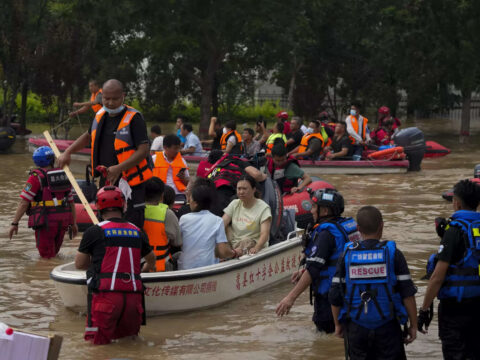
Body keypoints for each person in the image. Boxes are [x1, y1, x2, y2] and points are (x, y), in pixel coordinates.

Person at [58, 79, 153, 229]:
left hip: (130, 183)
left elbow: (143, 150)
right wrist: (68, 152)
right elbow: (88, 136)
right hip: (106, 180)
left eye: (114, 99)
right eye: (106, 98)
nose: (109, 103)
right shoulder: (100, 114)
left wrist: (119, 168)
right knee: (105, 223)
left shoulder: (134, 118)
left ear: (123, 96)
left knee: (132, 223)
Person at [329, 206, 418, 359]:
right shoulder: (393, 253)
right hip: (388, 327)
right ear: (381, 225)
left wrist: (337, 324)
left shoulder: (346, 256)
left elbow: (335, 294)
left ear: (357, 229)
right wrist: (413, 326)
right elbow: (407, 294)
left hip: (356, 327)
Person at [75, 186, 156, 345]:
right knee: (130, 344)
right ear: (124, 205)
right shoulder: (138, 231)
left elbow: (79, 264)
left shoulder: (94, 231)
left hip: (106, 297)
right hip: (134, 299)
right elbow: (152, 260)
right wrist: (142, 269)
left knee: (97, 348)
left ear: (98, 207)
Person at [276, 189, 360, 333]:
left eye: (314, 207)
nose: (311, 211)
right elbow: (333, 259)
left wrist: (290, 298)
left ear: (325, 211)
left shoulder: (326, 234)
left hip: (329, 299)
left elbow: (314, 269)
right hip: (350, 294)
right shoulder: (345, 226)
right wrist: (304, 270)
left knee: (325, 340)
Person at [418, 179, 480, 359]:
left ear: (457, 203)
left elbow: (437, 276)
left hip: (455, 309)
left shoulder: (454, 230)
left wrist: (424, 310)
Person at [9, 146, 77, 258]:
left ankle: (45, 274)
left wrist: (14, 223)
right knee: (54, 254)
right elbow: (71, 202)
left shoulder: (35, 178)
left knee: (46, 258)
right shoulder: (63, 175)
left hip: (46, 221)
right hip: (63, 220)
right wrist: (73, 223)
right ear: (52, 159)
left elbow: (24, 203)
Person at [178, 181, 241, 270]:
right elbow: (222, 251)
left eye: (190, 199)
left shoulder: (184, 219)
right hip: (208, 268)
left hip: (185, 267)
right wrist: (234, 253)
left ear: (196, 203)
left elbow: (179, 242)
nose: (189, 201)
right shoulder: (217, 221)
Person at [205, 150, 267, 217]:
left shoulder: (212, 173)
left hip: (211, 205)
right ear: (223, 155)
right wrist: (266, 176)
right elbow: (256, 175)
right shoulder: (234, 160)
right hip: (228, 197)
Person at [223, 175, 272, 254]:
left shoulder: (264, 208)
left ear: (253, 190)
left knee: (246, 241)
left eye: (244, 189)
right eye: (239, 189)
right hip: (234, 245)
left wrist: (257, 248)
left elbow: (264, 234)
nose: (241, 192)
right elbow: (222, 223)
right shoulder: (234, 204)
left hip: (252, 245)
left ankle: (230, 255)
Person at [143, 177, 181, 271]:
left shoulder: (136, 212)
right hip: (161, 266)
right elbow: (177, 242)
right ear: (162, 196)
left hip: (138, 265)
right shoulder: (167, 213)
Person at [152, 134, 189, 201]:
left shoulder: (182, 161)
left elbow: (188, 182)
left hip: (178, 194)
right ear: (165, 147)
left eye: (179, 148)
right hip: (159, 194)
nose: (178, 151)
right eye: (175, 148)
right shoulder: (154, 159)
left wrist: (183, 178)